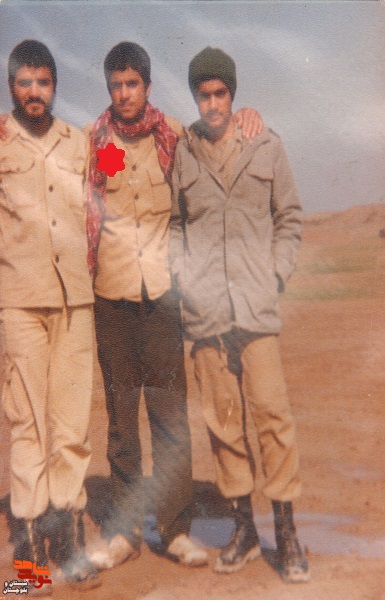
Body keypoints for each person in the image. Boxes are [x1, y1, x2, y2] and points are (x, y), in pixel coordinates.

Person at [85, 41, 264, 571]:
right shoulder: (91, 144)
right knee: (122, 421)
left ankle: (176, 529)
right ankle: (123, 533)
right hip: (111, 297)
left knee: (169, 419)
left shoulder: (178, 139)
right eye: (116, 86)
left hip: (163, 298)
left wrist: (249, 116)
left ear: (147, 86)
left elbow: (222, 137)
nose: (124, 94)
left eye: (132, 84)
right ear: (109, 89)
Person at [169, 46, 310, 584]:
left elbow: (288, 217)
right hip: (206, 313)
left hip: (255, 308)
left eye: (220, 93)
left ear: (233, 95)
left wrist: (275, 275)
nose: (212, 104)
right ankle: (244, 529)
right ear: (194, 97)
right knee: (224, 423)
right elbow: (176, 225)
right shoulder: (183, 153)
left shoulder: (265, 144)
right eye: (203, 95)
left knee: (273, 417)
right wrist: (183, 277)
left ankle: (287, 531)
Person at [0, 40, 99, 589]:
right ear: (11, 87)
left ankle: (68, 535)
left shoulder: (80, 143)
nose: (34, 92)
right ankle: (29, 548)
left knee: (71, 425)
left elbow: (124, 170)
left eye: (43, 82)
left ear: (55, 86)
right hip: (20, 300)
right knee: (27, 421)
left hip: (75, 302)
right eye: (24, 83)